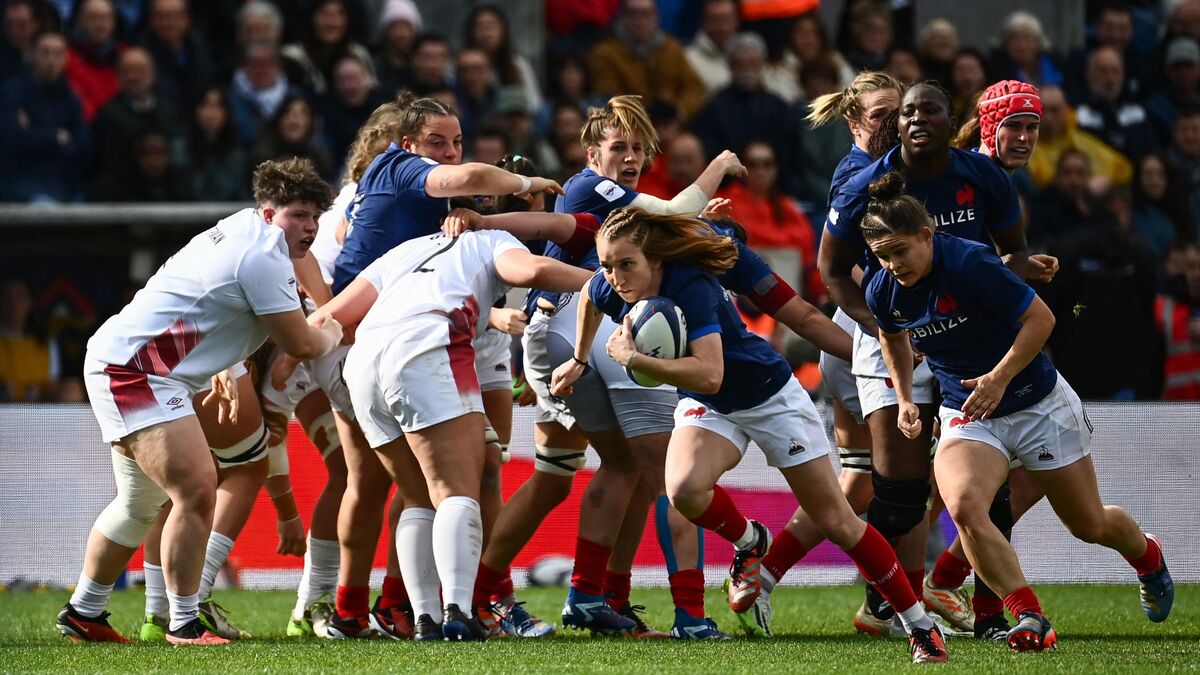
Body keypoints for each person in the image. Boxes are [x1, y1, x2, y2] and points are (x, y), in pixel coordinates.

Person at [550, 207, 948, 664]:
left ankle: (920, 625)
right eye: (606, 265)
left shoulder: (691, 285)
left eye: (625, 265)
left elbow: (711, 373)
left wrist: (633, 359)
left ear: (655, 260)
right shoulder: (611, 281)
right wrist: (580, 358)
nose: (615, 276)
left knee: (839, 522)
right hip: (714, 407)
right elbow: (587, 296)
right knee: (682, 490)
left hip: (769, 396)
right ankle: (750, 541)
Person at [862, 171, 1174, 653]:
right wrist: (904, 396)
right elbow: (891, 336)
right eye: (883, 256)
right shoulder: (883, 288)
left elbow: (1042, 319)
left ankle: (1147, 555)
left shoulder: (968, 262)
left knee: (1089, 525)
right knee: (965, 507)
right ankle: (1029, 615)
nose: (893, 264)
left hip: (1035, 403)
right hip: (966, 409)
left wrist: (998, 377)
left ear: (927, 235)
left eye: (900, 251)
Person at [57, 157, 344, 645]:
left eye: (316, 215)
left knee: (138, 503)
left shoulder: (243, 228)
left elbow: (206, 305)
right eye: (299, 214)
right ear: (270, 212)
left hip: (131, 363)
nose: (310, 227)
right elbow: (300, 343)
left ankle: (84, 612)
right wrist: (331, 329)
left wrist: (223, 364)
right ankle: (183, 624)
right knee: (196, 489)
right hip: (137, 372)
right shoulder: (261, 256)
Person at [309, 224, 594, 641]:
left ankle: (423, 617)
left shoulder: (406, 246)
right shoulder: (495, 239)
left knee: (418, 496)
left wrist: (284, 359)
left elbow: (325, 316)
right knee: (456, 492)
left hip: (363, 361)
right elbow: (530, 271)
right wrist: (607, 281)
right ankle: (458, 612)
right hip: (426, 345)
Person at [739, 70, 902, 634]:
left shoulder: (882, 167)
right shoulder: (860, 177)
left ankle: (768, 575)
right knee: (908, 481)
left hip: (854, 338)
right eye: (882, 115)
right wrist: (888, 327)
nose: (895, 124)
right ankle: (899, 602)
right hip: (871, 338)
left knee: (856, 483)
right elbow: (845, 267)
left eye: (899, 113)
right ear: (854, 122)